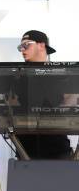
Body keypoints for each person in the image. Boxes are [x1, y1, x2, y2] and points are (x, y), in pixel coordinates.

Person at [16, 30, 72, 159]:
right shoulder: (17, 77)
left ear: (41, 45)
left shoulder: (63, 76)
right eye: (20, 47)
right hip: (24, 151)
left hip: (58, 150)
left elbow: (72, 101)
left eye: (26, 45)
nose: (22, 50)